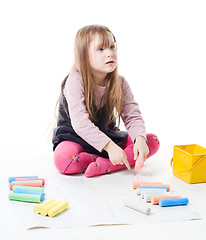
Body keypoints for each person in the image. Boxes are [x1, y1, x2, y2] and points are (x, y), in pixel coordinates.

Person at [52, 25, 160, 178]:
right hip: (75, 137)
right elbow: (80, 123)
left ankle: (106, 165)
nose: (110, 53)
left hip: (107, 135)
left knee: (151, 141)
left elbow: (132, 116)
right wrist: (110, 148)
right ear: (84, 56)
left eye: (112, 47)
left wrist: (140, 140)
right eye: (101, 49)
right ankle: (111, 159)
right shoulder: (75, 80)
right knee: (63, 159)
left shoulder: (120, 83)